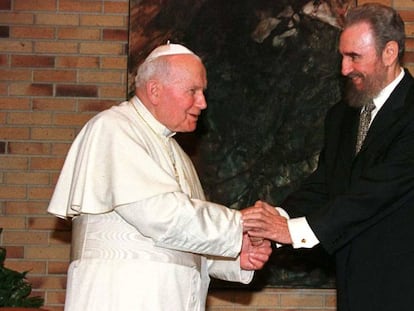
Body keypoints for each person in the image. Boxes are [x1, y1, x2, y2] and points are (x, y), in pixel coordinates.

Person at [47, 43, 272, 311]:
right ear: (155, 90)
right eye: (193, 91)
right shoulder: (114, 128)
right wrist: (239, 224)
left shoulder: (177, 153)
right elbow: (160, 216)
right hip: (121, 297)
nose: (203, 103)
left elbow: (179, 240)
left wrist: (234, 256)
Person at [242, 3, 414, 311]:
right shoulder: (342, 115)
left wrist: (293, 231)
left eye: (354, 57)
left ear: (389, 53)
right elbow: (325, 184)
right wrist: (277, 217)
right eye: (343, 56)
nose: (344, 69)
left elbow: (374, 193)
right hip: (354, 287)